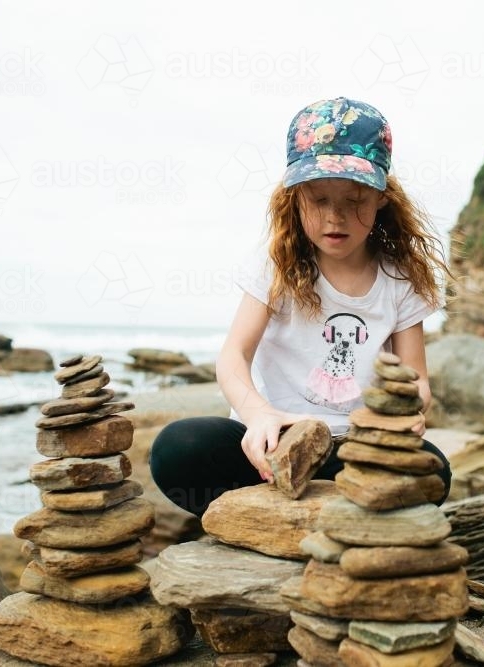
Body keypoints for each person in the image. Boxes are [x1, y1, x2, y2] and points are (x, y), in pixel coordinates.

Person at [150, 97, 453, 518]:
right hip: (270, 441)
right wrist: (258, 415)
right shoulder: (276, 264)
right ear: (294, 197)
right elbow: (234, 356)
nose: (336, 218)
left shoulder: (399, 278)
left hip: (353, 446)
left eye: (355, 200)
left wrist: (403, 415)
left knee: (435, 470)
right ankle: (285, 513)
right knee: (178, 448)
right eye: (319, 200)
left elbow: (416, 379)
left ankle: (302, 514)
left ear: (382, 196)